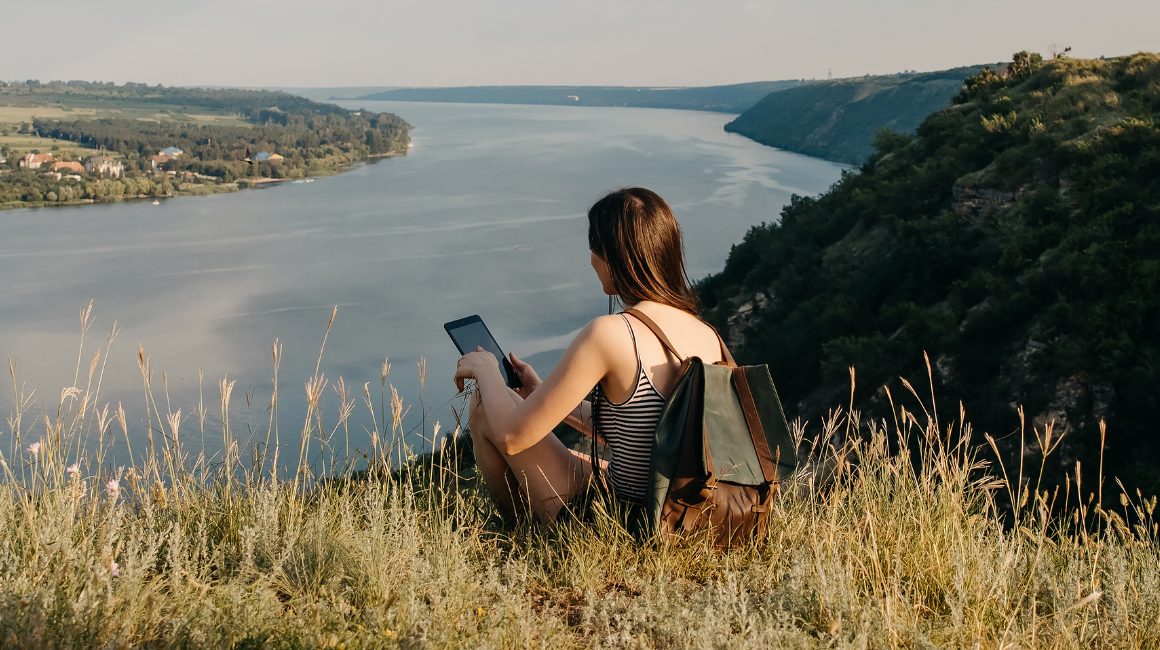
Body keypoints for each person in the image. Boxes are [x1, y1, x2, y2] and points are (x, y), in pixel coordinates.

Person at [453, 187, 727, 523]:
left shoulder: (610, 333)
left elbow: (512, 439)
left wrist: (489, 372)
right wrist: (541, 395)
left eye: (595, 248)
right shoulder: (708, 335)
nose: (592, 260)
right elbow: (637, 430)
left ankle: (521, 531)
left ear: (614, 255)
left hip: (628, 520)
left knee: (485, 405)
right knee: (546, 433)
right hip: (686, 512)